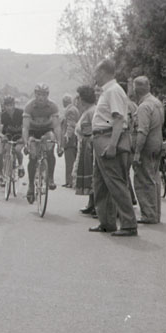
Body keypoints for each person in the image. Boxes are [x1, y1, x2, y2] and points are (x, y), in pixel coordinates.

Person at [89, 59, 137, 237]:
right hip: (101, 138)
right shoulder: (107, 91)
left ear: (103, 72)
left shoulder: (113, 91)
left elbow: (118, 120)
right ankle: (107, 222)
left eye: (96, 72)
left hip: (108, 138)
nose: (94, 76)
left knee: (116, 183)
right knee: (100, 183)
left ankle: (129, 224)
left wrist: (112, 145)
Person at [22, 83, 62, 204]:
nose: (41, 97)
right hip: (33, 131)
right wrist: (26, 143)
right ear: (35, 94)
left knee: (50, 149)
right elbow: (25, 127)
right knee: (33, 157)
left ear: (47, 95)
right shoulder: (29, 106)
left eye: (44, 95)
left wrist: (59, 144)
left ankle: (50, 178)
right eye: (39, 94)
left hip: (46, 130)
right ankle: (30, 185)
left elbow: (56, 127)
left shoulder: (52, 106)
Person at [131, 77, 164, 224]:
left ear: (136, 89)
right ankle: (155, 213)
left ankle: (148, 214)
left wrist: (137, 152)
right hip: (157, 143)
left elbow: (142, 131)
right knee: (154, 178)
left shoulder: (144, 107)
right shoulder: (157, 103)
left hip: (147, 147)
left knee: (143, 180)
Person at [73, 85, 96, 215]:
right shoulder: (87, 111)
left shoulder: (92, 111)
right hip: (85, 145)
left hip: (90, 146)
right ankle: (91, 202)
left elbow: (91, 129)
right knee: (89, 174)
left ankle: (96, 204)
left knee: (92, 174)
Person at [0, 96, 25, 182]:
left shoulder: (21, 113)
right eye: (7, 105)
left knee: (17, 150)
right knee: (2, 151)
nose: (9, 107)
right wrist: (3, 136)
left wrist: (23, 138)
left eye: (11, 105)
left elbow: (26, 128)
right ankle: (2, 174)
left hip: (20, 136)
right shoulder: (3, 115)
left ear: (14, 105)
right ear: (4, 106)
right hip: (8, 136)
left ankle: (20, 166)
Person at [61, 94, 80, 187]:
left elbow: (70, 124)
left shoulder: (70, 110)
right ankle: (71, 181)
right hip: (74, 138)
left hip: (71, 139)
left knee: (69, 161)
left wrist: (67, 137)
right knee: (72, 160)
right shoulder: (74, 109)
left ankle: (70, 181)